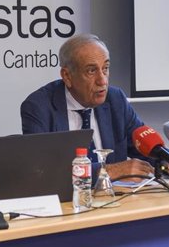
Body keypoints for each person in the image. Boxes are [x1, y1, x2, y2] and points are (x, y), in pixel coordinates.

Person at [21, 33, 158, 181]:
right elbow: (41, 170)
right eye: (91, 71)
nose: (102, 80)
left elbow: (144, 148)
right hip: (68, 202)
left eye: (105, 68)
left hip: (116, 200)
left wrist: (167, 160)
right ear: (67, 76)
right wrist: (109, 171)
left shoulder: (115, 99)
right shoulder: (39, 107)